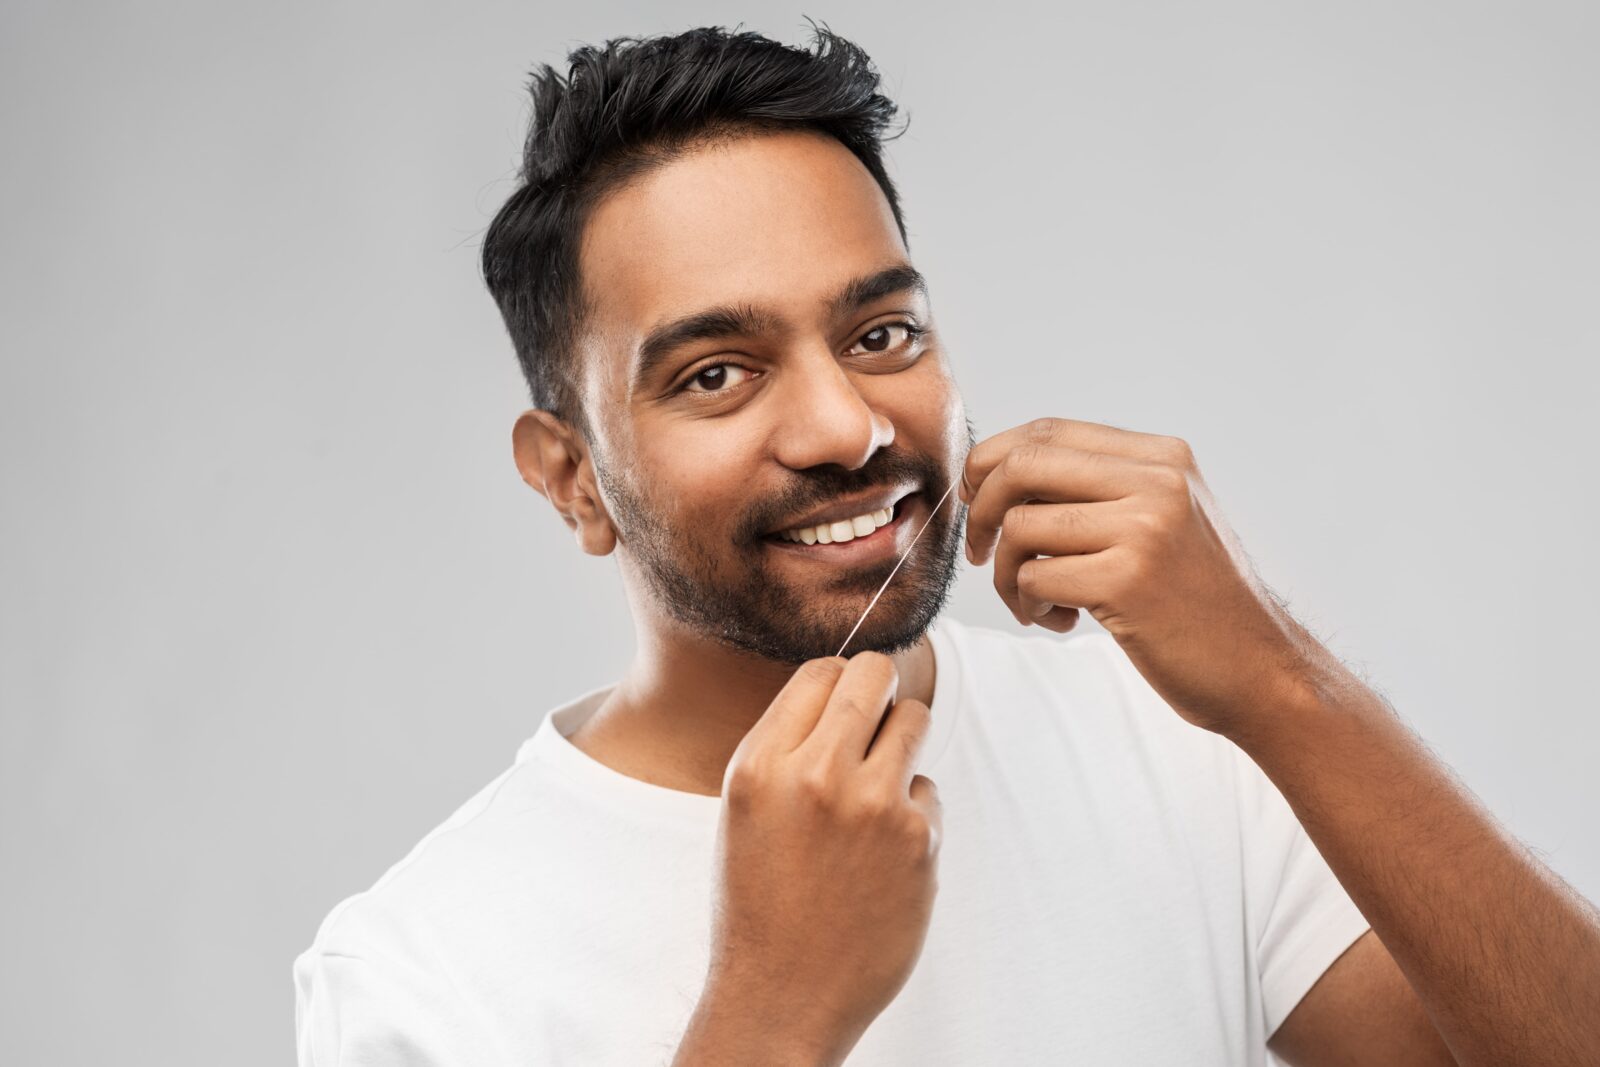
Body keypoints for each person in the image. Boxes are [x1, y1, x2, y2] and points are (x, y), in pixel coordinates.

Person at [293, 23, 1600, 1066]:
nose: (846, 425)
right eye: (715, 374)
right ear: (572, 478)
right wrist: (773, 1017)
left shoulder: (1165, 737)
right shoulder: (421, 972)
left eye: (880, 335)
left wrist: (1284, 687)